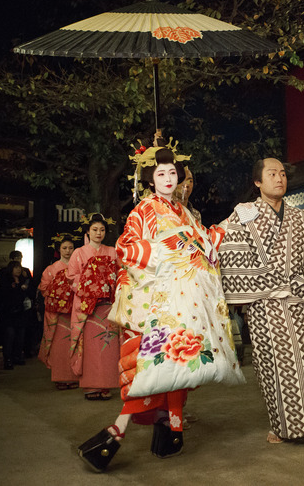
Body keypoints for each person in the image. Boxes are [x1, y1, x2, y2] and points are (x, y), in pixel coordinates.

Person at [77, 147, 244, 472]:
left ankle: (172, 431)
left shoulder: (187, 214)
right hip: (156, 303)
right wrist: (167, 249)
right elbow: (128, 247)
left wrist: (231, 224)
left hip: (186, 301)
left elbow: (205, 245)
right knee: (156, 371)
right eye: (168, 175)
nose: (181, 183)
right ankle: (118, 433)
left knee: (180, 368)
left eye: (182, 177)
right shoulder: (145, 210)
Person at [219, 158, 304, 452]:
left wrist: (299, 287)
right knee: (274, 366)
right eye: (272, 174)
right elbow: (231, 254)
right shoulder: (243, 215)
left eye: (282, 174)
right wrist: (269, 284)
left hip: (298, 299)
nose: (279, 179)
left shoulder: (297, 216)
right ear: (257, 182)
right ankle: (283, 425)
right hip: (264, 304)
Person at [68, 214, 120, 401]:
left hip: (107, 306)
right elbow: (72, 276)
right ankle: (90, 385)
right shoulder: (79, 253)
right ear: (88, 232)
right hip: (87, 306)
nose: (99, 233)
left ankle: (107, 383)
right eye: (95, 230)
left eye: (102, 230)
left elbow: (119, 273)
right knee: (90, 346)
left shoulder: (113, 251)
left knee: (108, 345)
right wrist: (90, 286)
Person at [38, 236, 79, 390]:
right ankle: (60, 377)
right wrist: (60, 291)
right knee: (59, 345)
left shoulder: (79, 266)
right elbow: (43, 288)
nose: (68, 251)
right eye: (64, 248)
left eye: (70, 248)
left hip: (74, 312)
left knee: (74, 344)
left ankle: (73, 376)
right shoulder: (52, 269)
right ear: (59, 250)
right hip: (58, 314)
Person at [0, 261, 33, 370]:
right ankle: (7, 359)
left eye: (19, 267)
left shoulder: (23, 280)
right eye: (16, 267)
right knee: (9, 336)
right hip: (9, 313)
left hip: (21, 313)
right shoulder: (5, 281)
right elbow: (2, 296)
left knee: (20, 336)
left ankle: (17, 356)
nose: (18, 270)